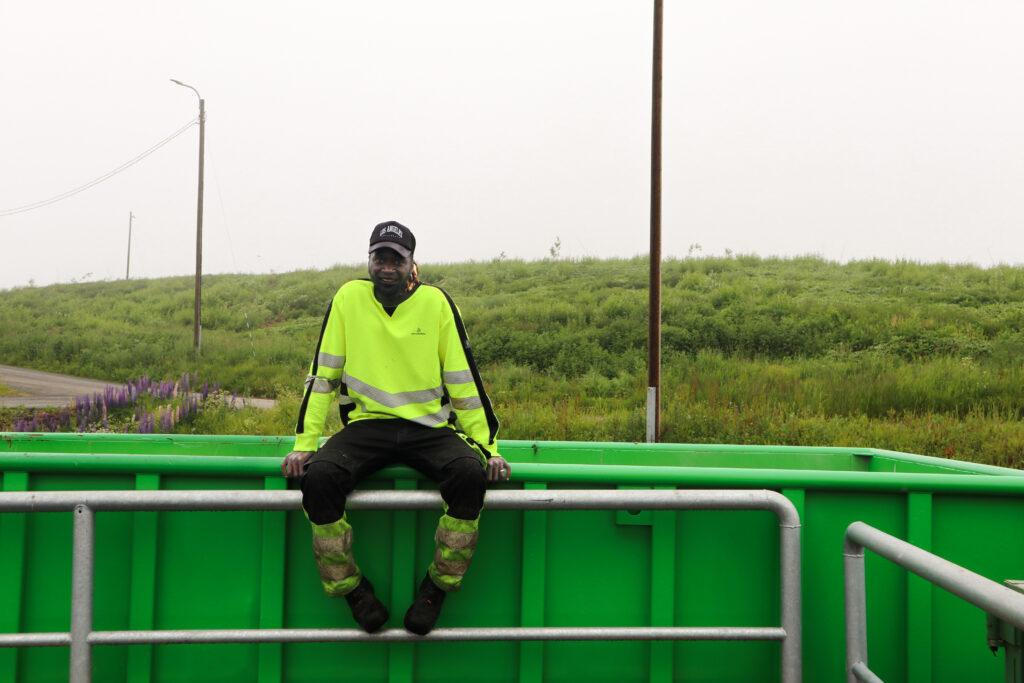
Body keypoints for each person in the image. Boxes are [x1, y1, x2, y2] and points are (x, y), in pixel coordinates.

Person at [281, 220, 510, 636]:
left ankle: (436, 589)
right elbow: (323, 376)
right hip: (368, 427)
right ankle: (354, 591)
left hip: (430, 427)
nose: (387, 267)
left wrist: (488, 447)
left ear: (411, 265)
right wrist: (304, 443)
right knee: (318, 481)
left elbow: (465, 382)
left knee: (469, 475)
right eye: (379, 258)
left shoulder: (437, 304)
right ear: (369, 260)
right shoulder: (348, 299)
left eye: (396, 260)